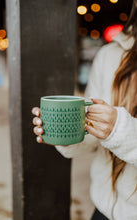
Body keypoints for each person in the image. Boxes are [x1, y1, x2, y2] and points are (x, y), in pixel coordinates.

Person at [32, 1, 137, 219]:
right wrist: (68, 132)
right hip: (102, 209)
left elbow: (116, 133)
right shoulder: (109, 55)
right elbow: (92, 138)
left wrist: (119, 130)